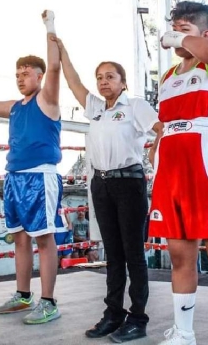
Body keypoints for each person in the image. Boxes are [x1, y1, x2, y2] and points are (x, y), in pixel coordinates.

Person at [148, 1, 208, 345]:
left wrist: (180, 38)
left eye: (183, 30)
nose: (174, 37)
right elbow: (165, 124)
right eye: (172, 28)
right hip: (171, 170)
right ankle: (184, 334)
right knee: (179, 255)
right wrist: (155, 150)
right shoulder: (168, 77)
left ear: (205, 34)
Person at [0, 10, 67, 324]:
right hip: (14, 179)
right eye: (18, 73)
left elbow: (54, 65)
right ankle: (24, 296)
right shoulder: (13, 107)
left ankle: (48, 301)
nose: (21, 77)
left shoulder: (47, 99)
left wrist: (49, 26)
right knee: (20, 238)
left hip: (40, 176)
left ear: (38, 76)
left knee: (44, 239)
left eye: (26, 72)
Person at [55, 34, 159, 343]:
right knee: (112, 254)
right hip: (101, 184)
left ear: (123, 82)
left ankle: (138, 318)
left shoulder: (135, 106)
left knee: (133, 254)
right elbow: (73, 83)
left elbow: (162, 128)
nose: (103, 81)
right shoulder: (96, 109)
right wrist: (62, 51)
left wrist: (155, 152)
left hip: (129, 183)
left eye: (110, 76)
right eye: (99, 77)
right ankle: (113, 314)